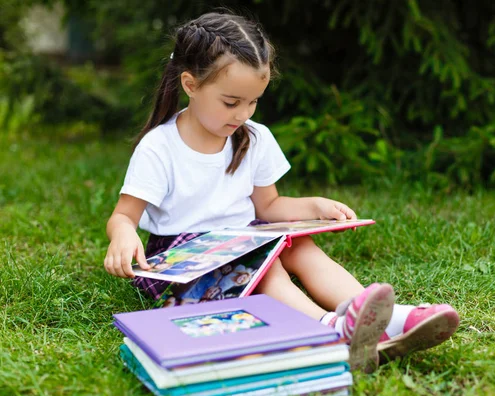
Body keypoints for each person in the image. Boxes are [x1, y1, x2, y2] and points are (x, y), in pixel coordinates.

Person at [103, 11, 459, 373]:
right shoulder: (160, 147)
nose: (243, 113)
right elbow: (123, 216)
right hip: (182, 263)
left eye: (253, 101)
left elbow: (270, 205)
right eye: (231, 102)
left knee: (300, 246)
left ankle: (383, 318)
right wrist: (124, 236)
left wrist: (313, 205)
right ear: (190, 85)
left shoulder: (253, 137)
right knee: (267, 265)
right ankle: (331, 330)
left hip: (242, 237)